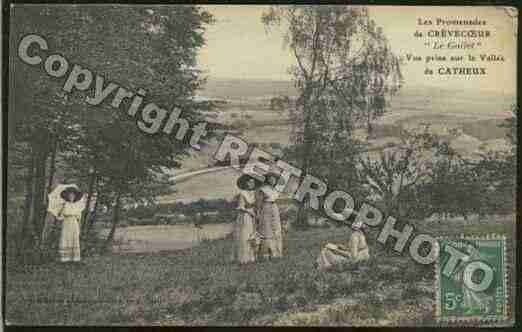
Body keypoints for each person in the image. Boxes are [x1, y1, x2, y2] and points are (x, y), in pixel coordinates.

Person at [257, 172, 285, 260]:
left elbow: (276, 200)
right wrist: (258, 213)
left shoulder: (275, 190)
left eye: (274, 179)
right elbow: (259, 203)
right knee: (267, 229)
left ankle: (277, 253)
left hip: (274, 208)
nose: (272, 180)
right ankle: (266, 254)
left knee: (276, 229)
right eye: (270, 179)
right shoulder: (263, 189)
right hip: (266, 208)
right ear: (267, 180)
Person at [234, 174, 261, 264]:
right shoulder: (242, 193)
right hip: (245, 216)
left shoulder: (254, 193)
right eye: (250, 182)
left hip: (252, 215)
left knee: (252, 234)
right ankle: (244, 258)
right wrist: (250, 212)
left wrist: (256, 213)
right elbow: (241, 207)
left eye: (253, 182)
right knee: (245, 235)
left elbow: (256, 205)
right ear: (246, 183)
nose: (252, 184)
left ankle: (252, 257)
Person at [56, 186, 85, 264]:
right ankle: (65, 258)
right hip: (66, 223)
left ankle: (74, 258)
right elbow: (60, 217)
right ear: (67, 196)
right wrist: (60, 213)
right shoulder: (64, 205)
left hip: (74, 223)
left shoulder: (77, 206)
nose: (71, 197)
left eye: (73, 195)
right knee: (66, 238)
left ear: (75, 196)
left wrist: (79, 227)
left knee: (74, 238)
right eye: (69, 195)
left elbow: (79, 218)